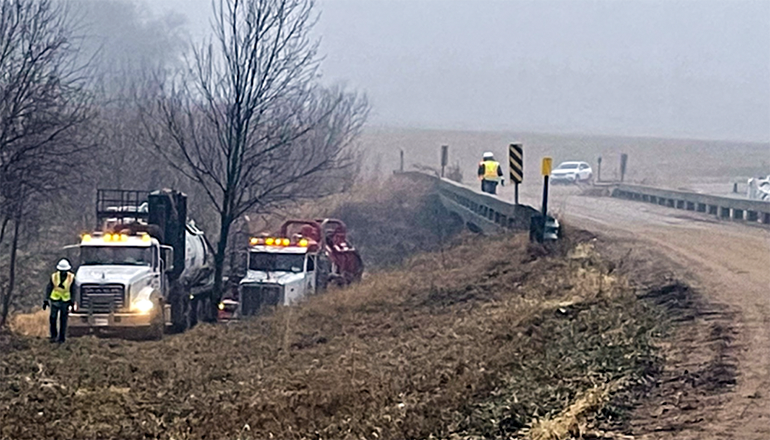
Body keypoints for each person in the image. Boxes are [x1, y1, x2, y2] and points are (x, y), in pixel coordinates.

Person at [43, 259, 75, 343]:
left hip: (65, 300)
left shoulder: (71, 277)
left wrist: (72, 302)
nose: (63, 272)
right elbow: (49, 287)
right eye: (61, 271)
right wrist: (46, 299)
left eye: (64, 271)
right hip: (55, 299)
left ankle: (62, 337)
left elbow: (73, 290)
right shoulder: (54, 276)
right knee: (53, 318)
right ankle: (53, 336)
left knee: (63, 320)